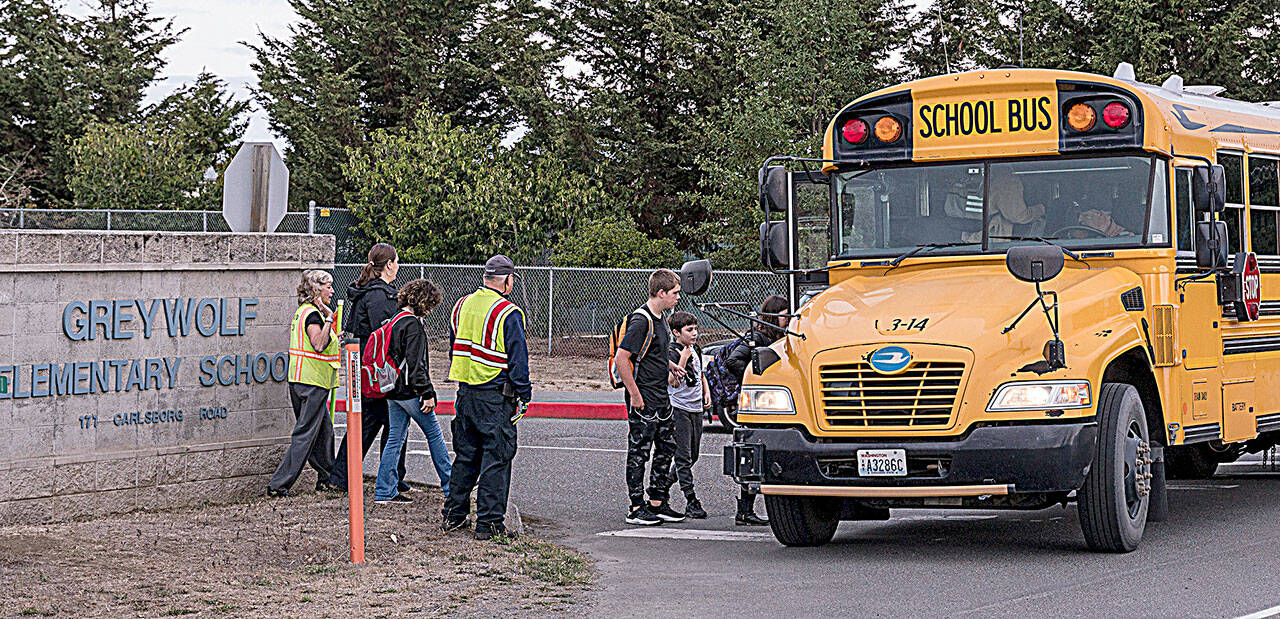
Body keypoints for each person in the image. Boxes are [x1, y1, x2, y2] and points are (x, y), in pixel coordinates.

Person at [442, 255, 531, 541]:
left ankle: (454, 515)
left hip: (465, 393)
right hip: (494, 397)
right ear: (507, 280)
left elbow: (455, 346)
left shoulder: (461, 306)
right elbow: (518, 359)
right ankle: (489, 523)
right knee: (497, 457)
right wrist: (524, 393)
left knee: (466, 457)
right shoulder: (508, 312)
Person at [329, 243, 410, 493]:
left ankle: (344, 477)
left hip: (365, 370)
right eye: (396, 261)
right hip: (378, 372)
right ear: (388, 265)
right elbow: (385, 335)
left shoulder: (368, 292)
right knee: (390, 423)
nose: (398, 266)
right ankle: (387, 478)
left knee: (371, 423)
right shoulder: (380, 296)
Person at [614, 268, 686, 526]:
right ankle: (636, 506)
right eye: (675, 293)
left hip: (661, 396)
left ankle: (657, 500)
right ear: (661, 292)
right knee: (639, 452)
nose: (678, 297)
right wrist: (634, 394)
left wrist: (670, 365)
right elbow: (623, 358)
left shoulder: (662, 318)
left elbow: (655, 352)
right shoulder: (640, 320)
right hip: (643, 398)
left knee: (667, 446)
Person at [373, 279, 452, 505]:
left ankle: (384, 491)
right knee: (434, 435)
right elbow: (417, 365)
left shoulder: (393, 321)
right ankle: (451, 486)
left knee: (394, 440)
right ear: (424, 301)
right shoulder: (413, 326)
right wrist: (427, 392)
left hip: (391, 390)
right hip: (410, 391)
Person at [268, 270, 341, 497]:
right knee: (305, 435)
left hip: (302, 381)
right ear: (316, 290)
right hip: (312, 383)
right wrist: (329, 318)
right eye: (327, 286)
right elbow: (319, 344)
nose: (331, 290)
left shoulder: (302, 312)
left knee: (324, 432)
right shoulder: (313, 315)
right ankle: (279, 485)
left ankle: (328, 477)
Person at [723, 294, 791, 525]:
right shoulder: (758, 337)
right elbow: (733, 361)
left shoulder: (782, 336)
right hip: (762, 402)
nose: (787, 320)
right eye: (783, 316)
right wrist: (756, 379)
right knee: (753, 455)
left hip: (776, 402)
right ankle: (744, 510)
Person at [667, 311, 710, 519]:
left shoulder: (696, 350)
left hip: (696, 408)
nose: (694, 334)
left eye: (695, 329)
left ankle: (662, 486)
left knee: (693, 455)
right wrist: (682, 360)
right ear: (676, 332)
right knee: (683, 457)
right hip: (679, 408)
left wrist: (706, 391)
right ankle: (691, 500)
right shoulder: (673, 352)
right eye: (689, 330)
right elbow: (673, 382)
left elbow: (700, 373)